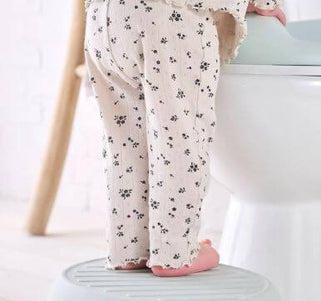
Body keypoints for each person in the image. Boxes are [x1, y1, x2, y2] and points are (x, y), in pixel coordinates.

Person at [83, 0, 286, 276]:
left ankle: (129, 248)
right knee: (180, 136)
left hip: (104, 19)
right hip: (167, 19)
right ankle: (175, 254)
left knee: (124, 142)